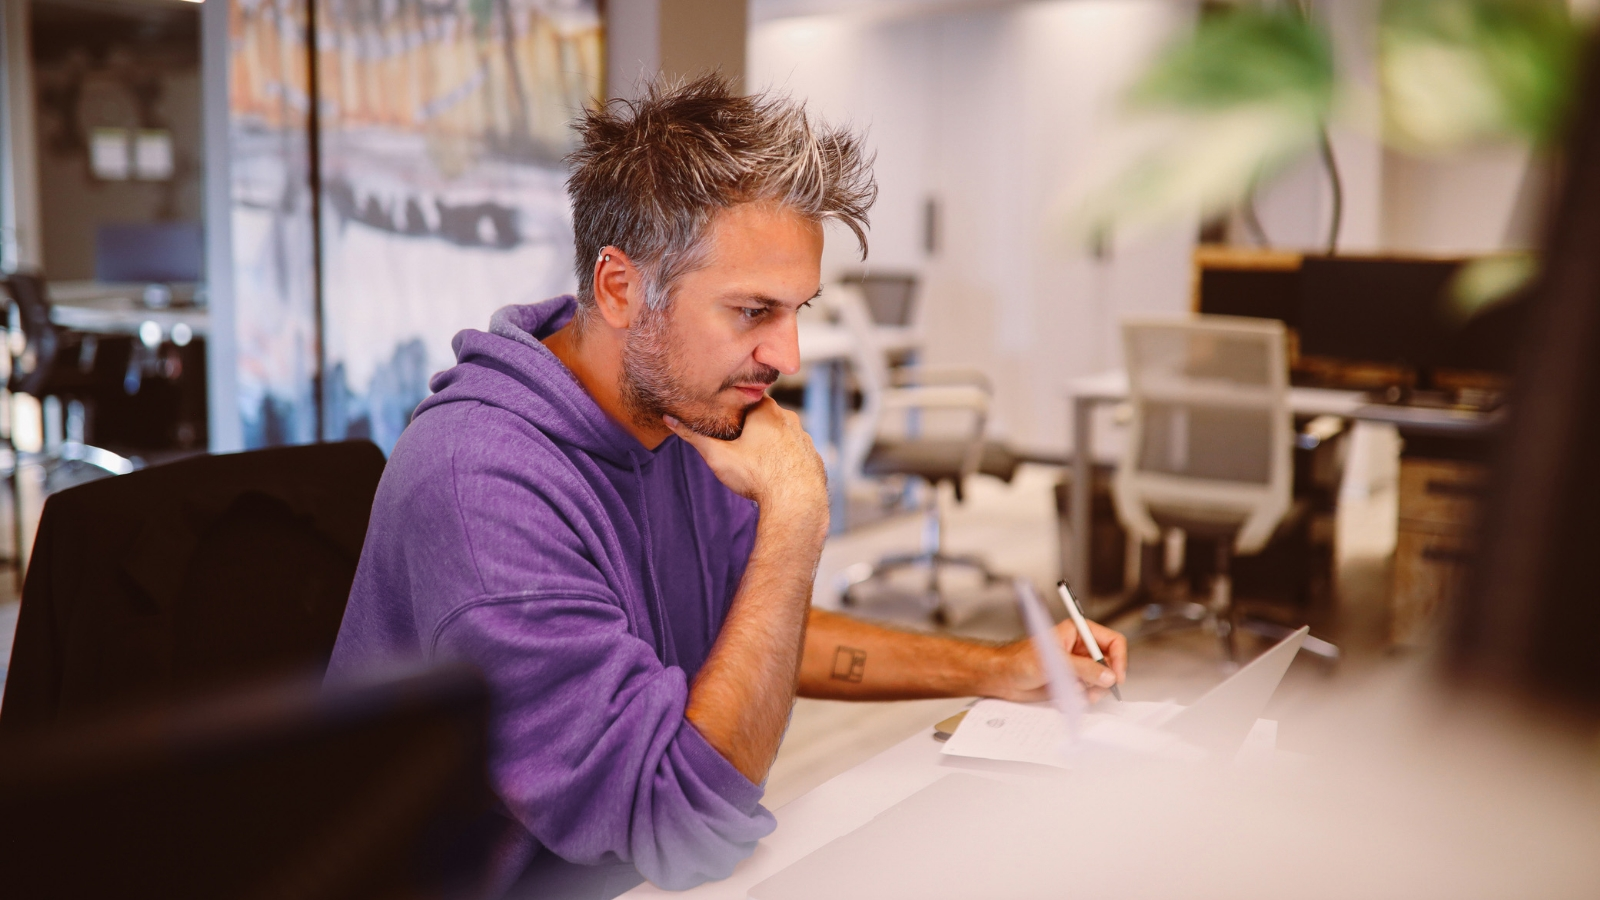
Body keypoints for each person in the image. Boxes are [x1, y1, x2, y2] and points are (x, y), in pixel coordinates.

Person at [326, 74, 1126, 898]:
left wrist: (994, 668)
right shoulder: (482, 486)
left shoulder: (683, 413)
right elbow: (680, 828)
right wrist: (797, 513)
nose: (790, 359)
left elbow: (752, 632)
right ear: (619, 287)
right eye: (752, 312)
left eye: (798, 310)